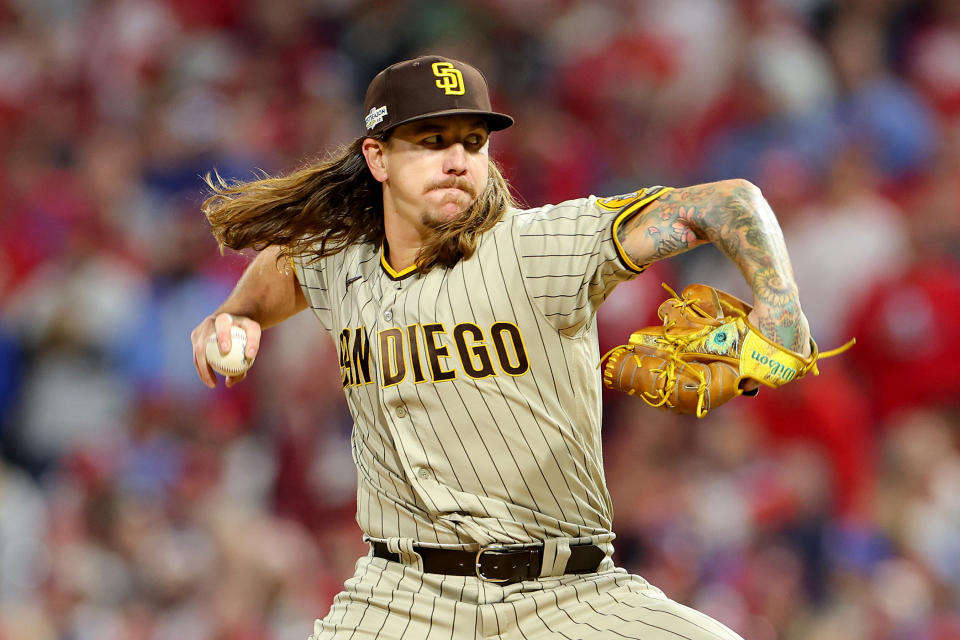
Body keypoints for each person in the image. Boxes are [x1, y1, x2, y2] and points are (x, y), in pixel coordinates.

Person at [191, 55, 811, 639]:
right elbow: (287, 263)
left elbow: (726, 202)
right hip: (400, 598)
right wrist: (236, 312)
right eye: (433, 141)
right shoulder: (344, 263)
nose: (458, 159)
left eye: (473, 141)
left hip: (567, 595)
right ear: (377, 158)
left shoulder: (541, 247)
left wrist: (779, 305)